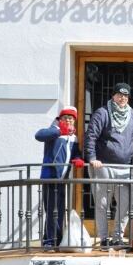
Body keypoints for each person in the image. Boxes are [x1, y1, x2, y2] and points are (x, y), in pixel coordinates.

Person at [84, 82, 133, 250]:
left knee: (125, 204)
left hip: (125, 167)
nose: (122, 98)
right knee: (102, 204)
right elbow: (91, 136)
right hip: (103, 166)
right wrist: (92, 158)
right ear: (113, 96)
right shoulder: (102, 113)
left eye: (126, 95)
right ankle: (103, 238)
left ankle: (117, 237)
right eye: (119, 94)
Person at [34, 106, 84, 251]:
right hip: (50, 177)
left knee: (60, 211)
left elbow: (75, 153)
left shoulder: (73, 137)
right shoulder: (54, 132)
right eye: (65, 118)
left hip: (63, 179)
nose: (68, 121)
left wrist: (78, 159)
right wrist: (57, 131)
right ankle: (49, 241)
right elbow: (38, 135)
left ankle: (58, 239)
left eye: (71, 119)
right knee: (51, 211)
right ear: (60, 119)